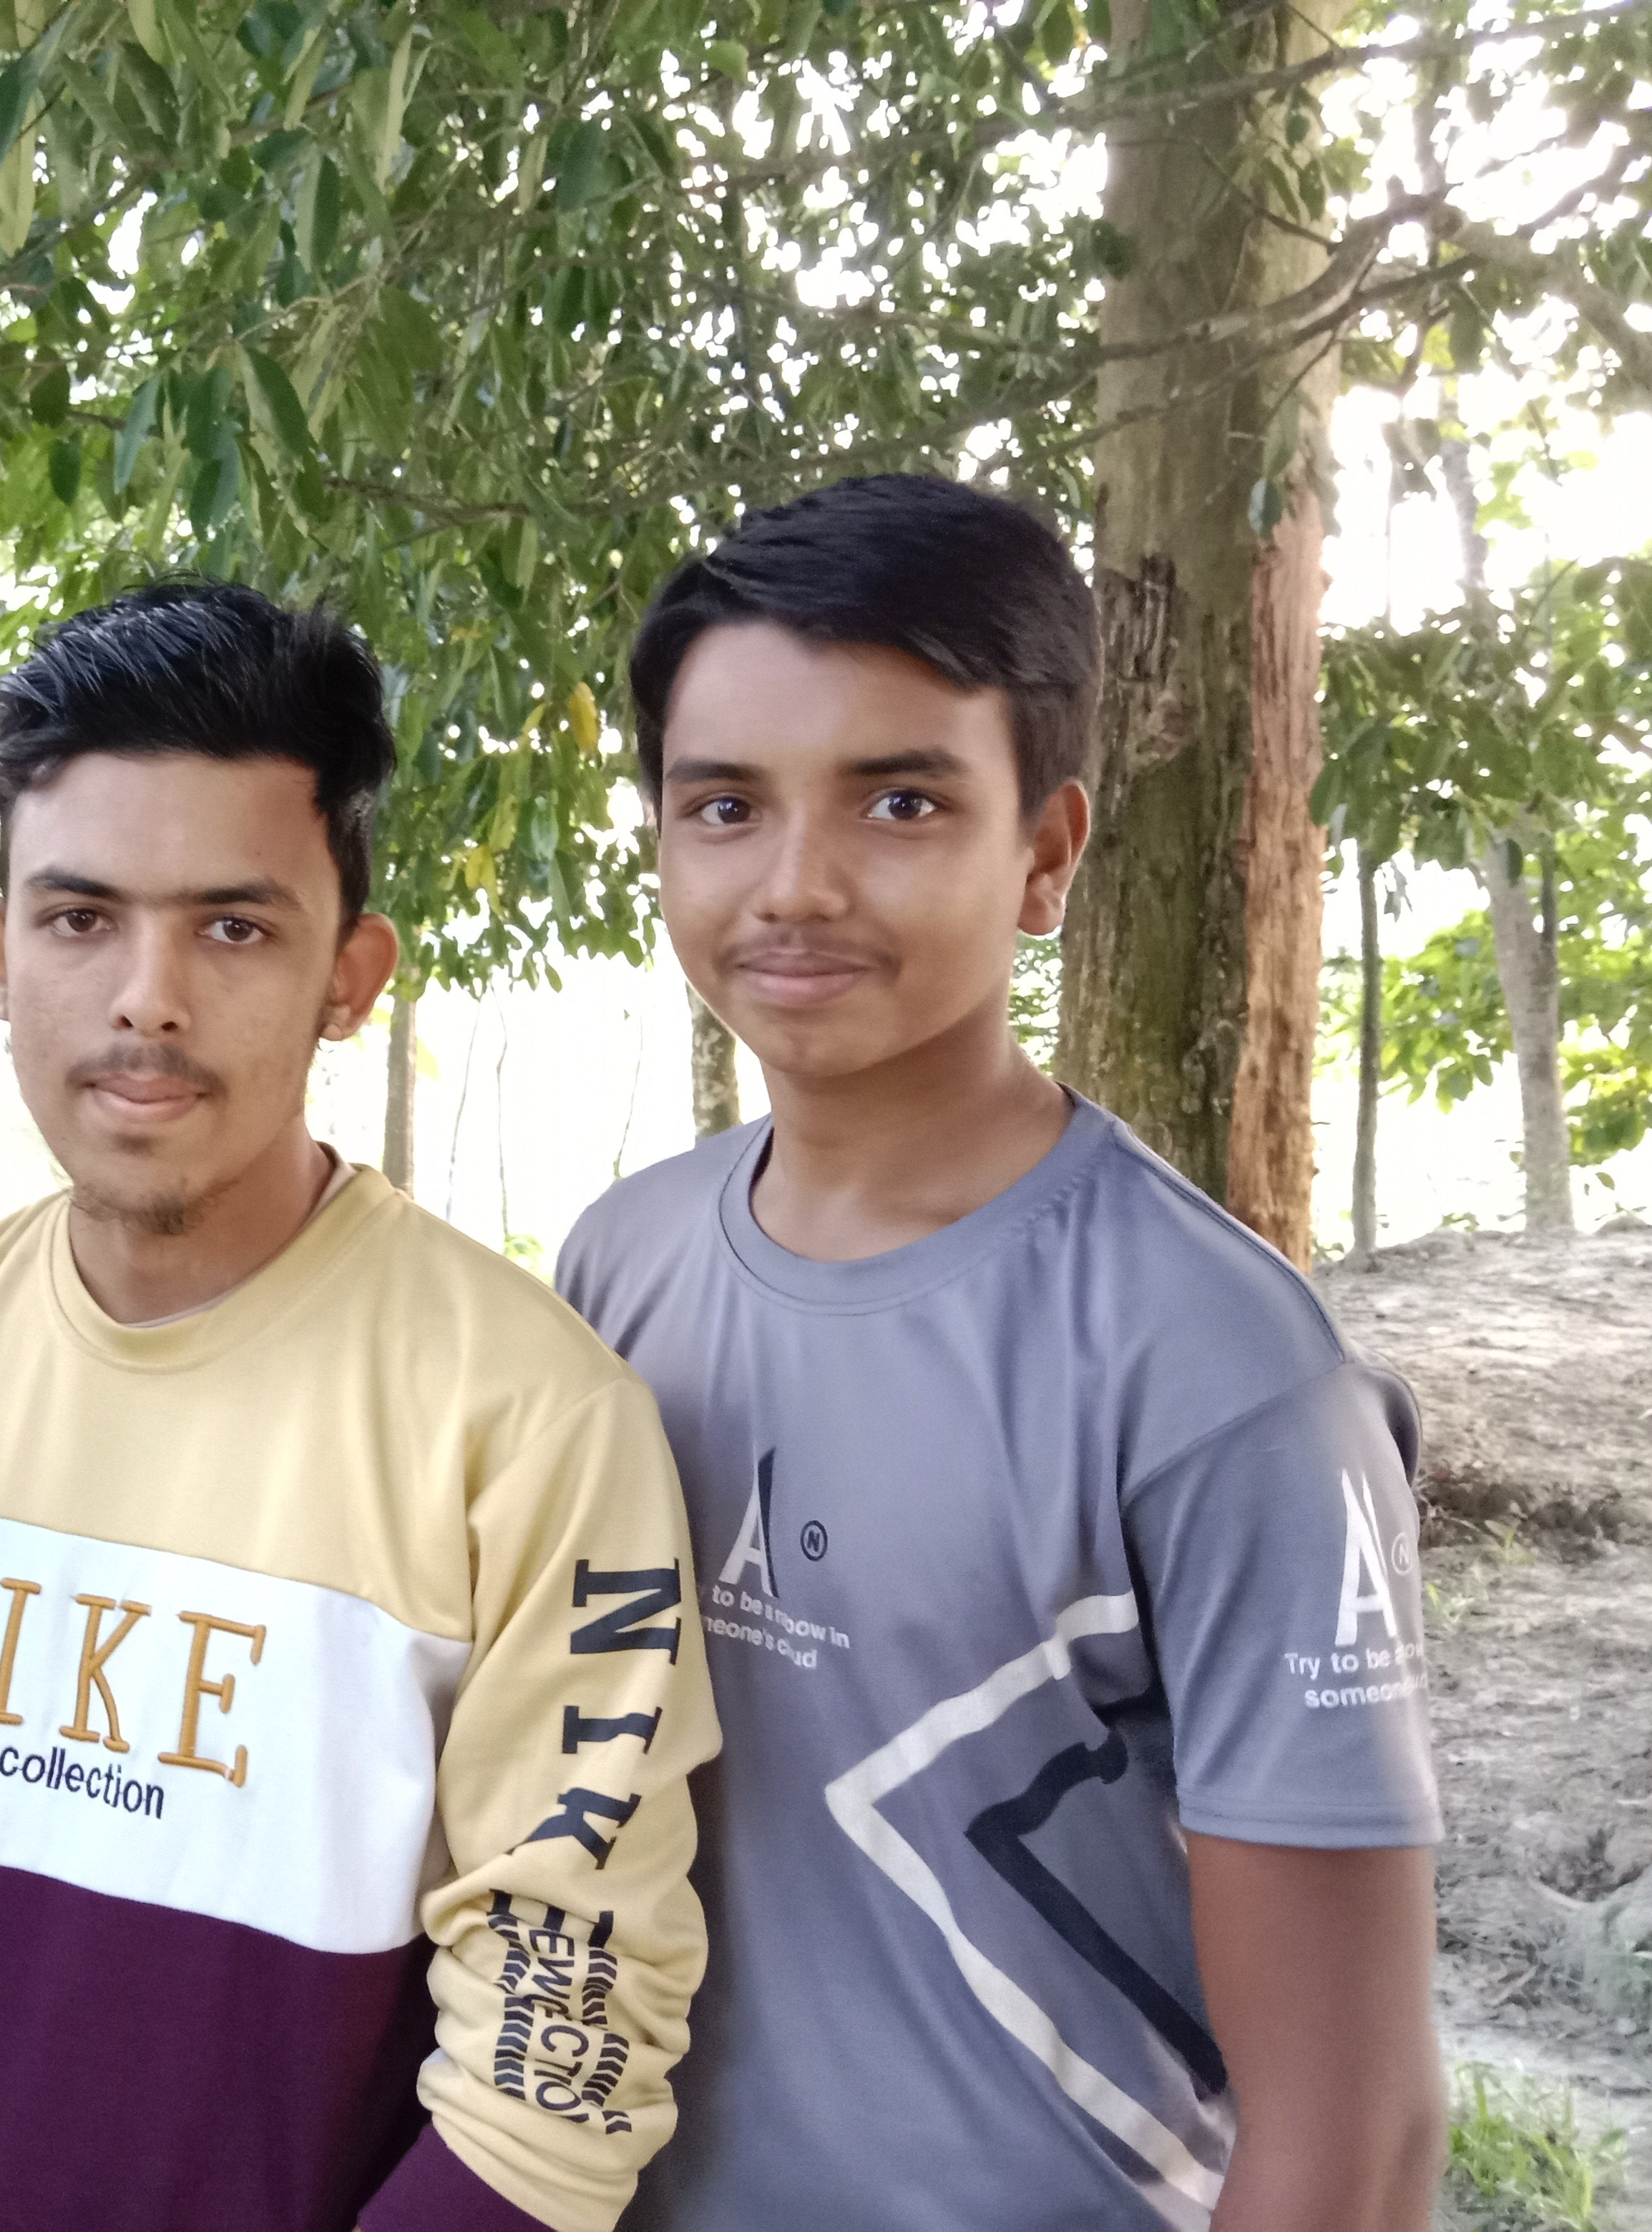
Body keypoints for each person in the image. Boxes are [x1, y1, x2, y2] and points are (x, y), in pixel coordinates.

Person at [0, 583, 720, 2232]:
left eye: (234, 928)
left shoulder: (532, 1421)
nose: (148, 997)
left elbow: (561, 2045)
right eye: (79, 919)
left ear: (351, 975)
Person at [553, 475, 1445, 2231]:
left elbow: (1354, 2138)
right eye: (723, 805)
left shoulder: (1221, 1373)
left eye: (899, 801)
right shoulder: (617, 1264)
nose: (794, 885)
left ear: (1045, 853)